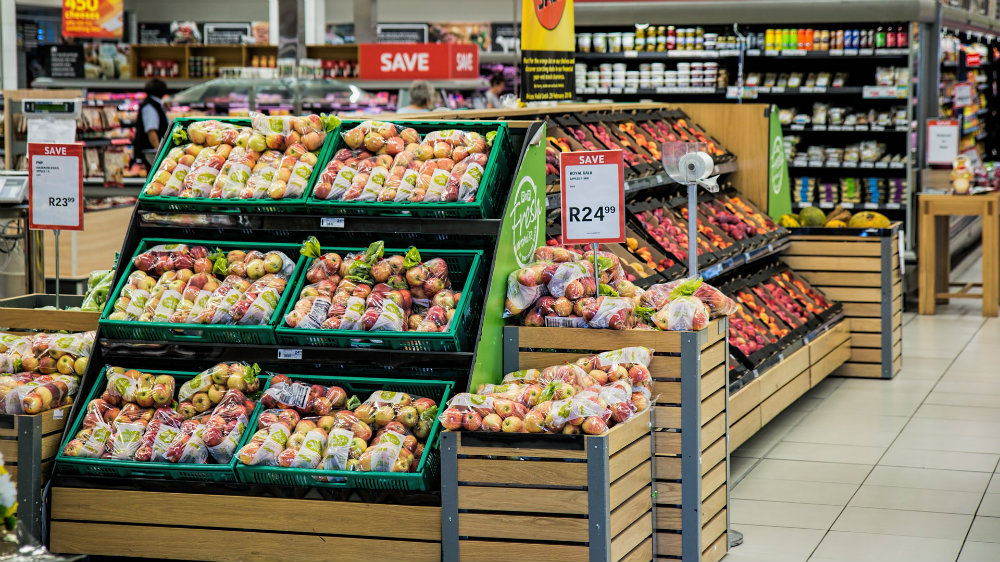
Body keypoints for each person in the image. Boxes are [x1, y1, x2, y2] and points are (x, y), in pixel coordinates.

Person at [134, 79, 169, 167]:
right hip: (150, 155)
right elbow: (151, 131)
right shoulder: (150, 106)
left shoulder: (155, 105)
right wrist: (160, 153)